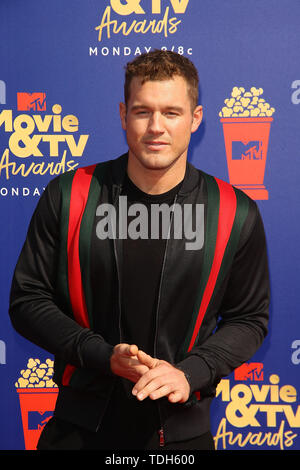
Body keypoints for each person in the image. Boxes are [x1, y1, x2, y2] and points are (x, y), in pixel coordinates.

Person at [9, 50, 270, 451]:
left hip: (181, 434)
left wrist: (190, 372)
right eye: (142, 111)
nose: (155, 128)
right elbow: (28, 300)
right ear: (122, 115)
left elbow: (249, 318)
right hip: (78, 430)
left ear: (195, 119)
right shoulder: (70, 195)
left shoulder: (233, 212)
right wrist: (101, 354)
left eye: (171, 113)